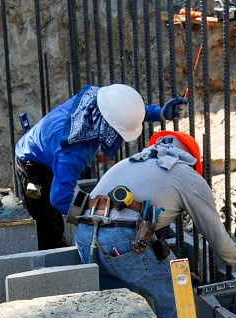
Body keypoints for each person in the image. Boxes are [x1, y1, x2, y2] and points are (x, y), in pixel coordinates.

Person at [72, 130, 236, 318]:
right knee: (178, 299)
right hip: (120, 242)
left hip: (84, 236)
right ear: (191, 160)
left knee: (118, 315)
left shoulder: (131, 163)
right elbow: (219, 241)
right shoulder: (184, 176)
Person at [14, 84, 189, 249]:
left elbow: (124, 113)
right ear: (109, 128)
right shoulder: (75, 150)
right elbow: (60, 198)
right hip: (32, 165)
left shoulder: (99, 101)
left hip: (46, 146)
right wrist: (94, 217)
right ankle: (52, 265)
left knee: (60, 204)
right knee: (48, 223)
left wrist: (159, 114)